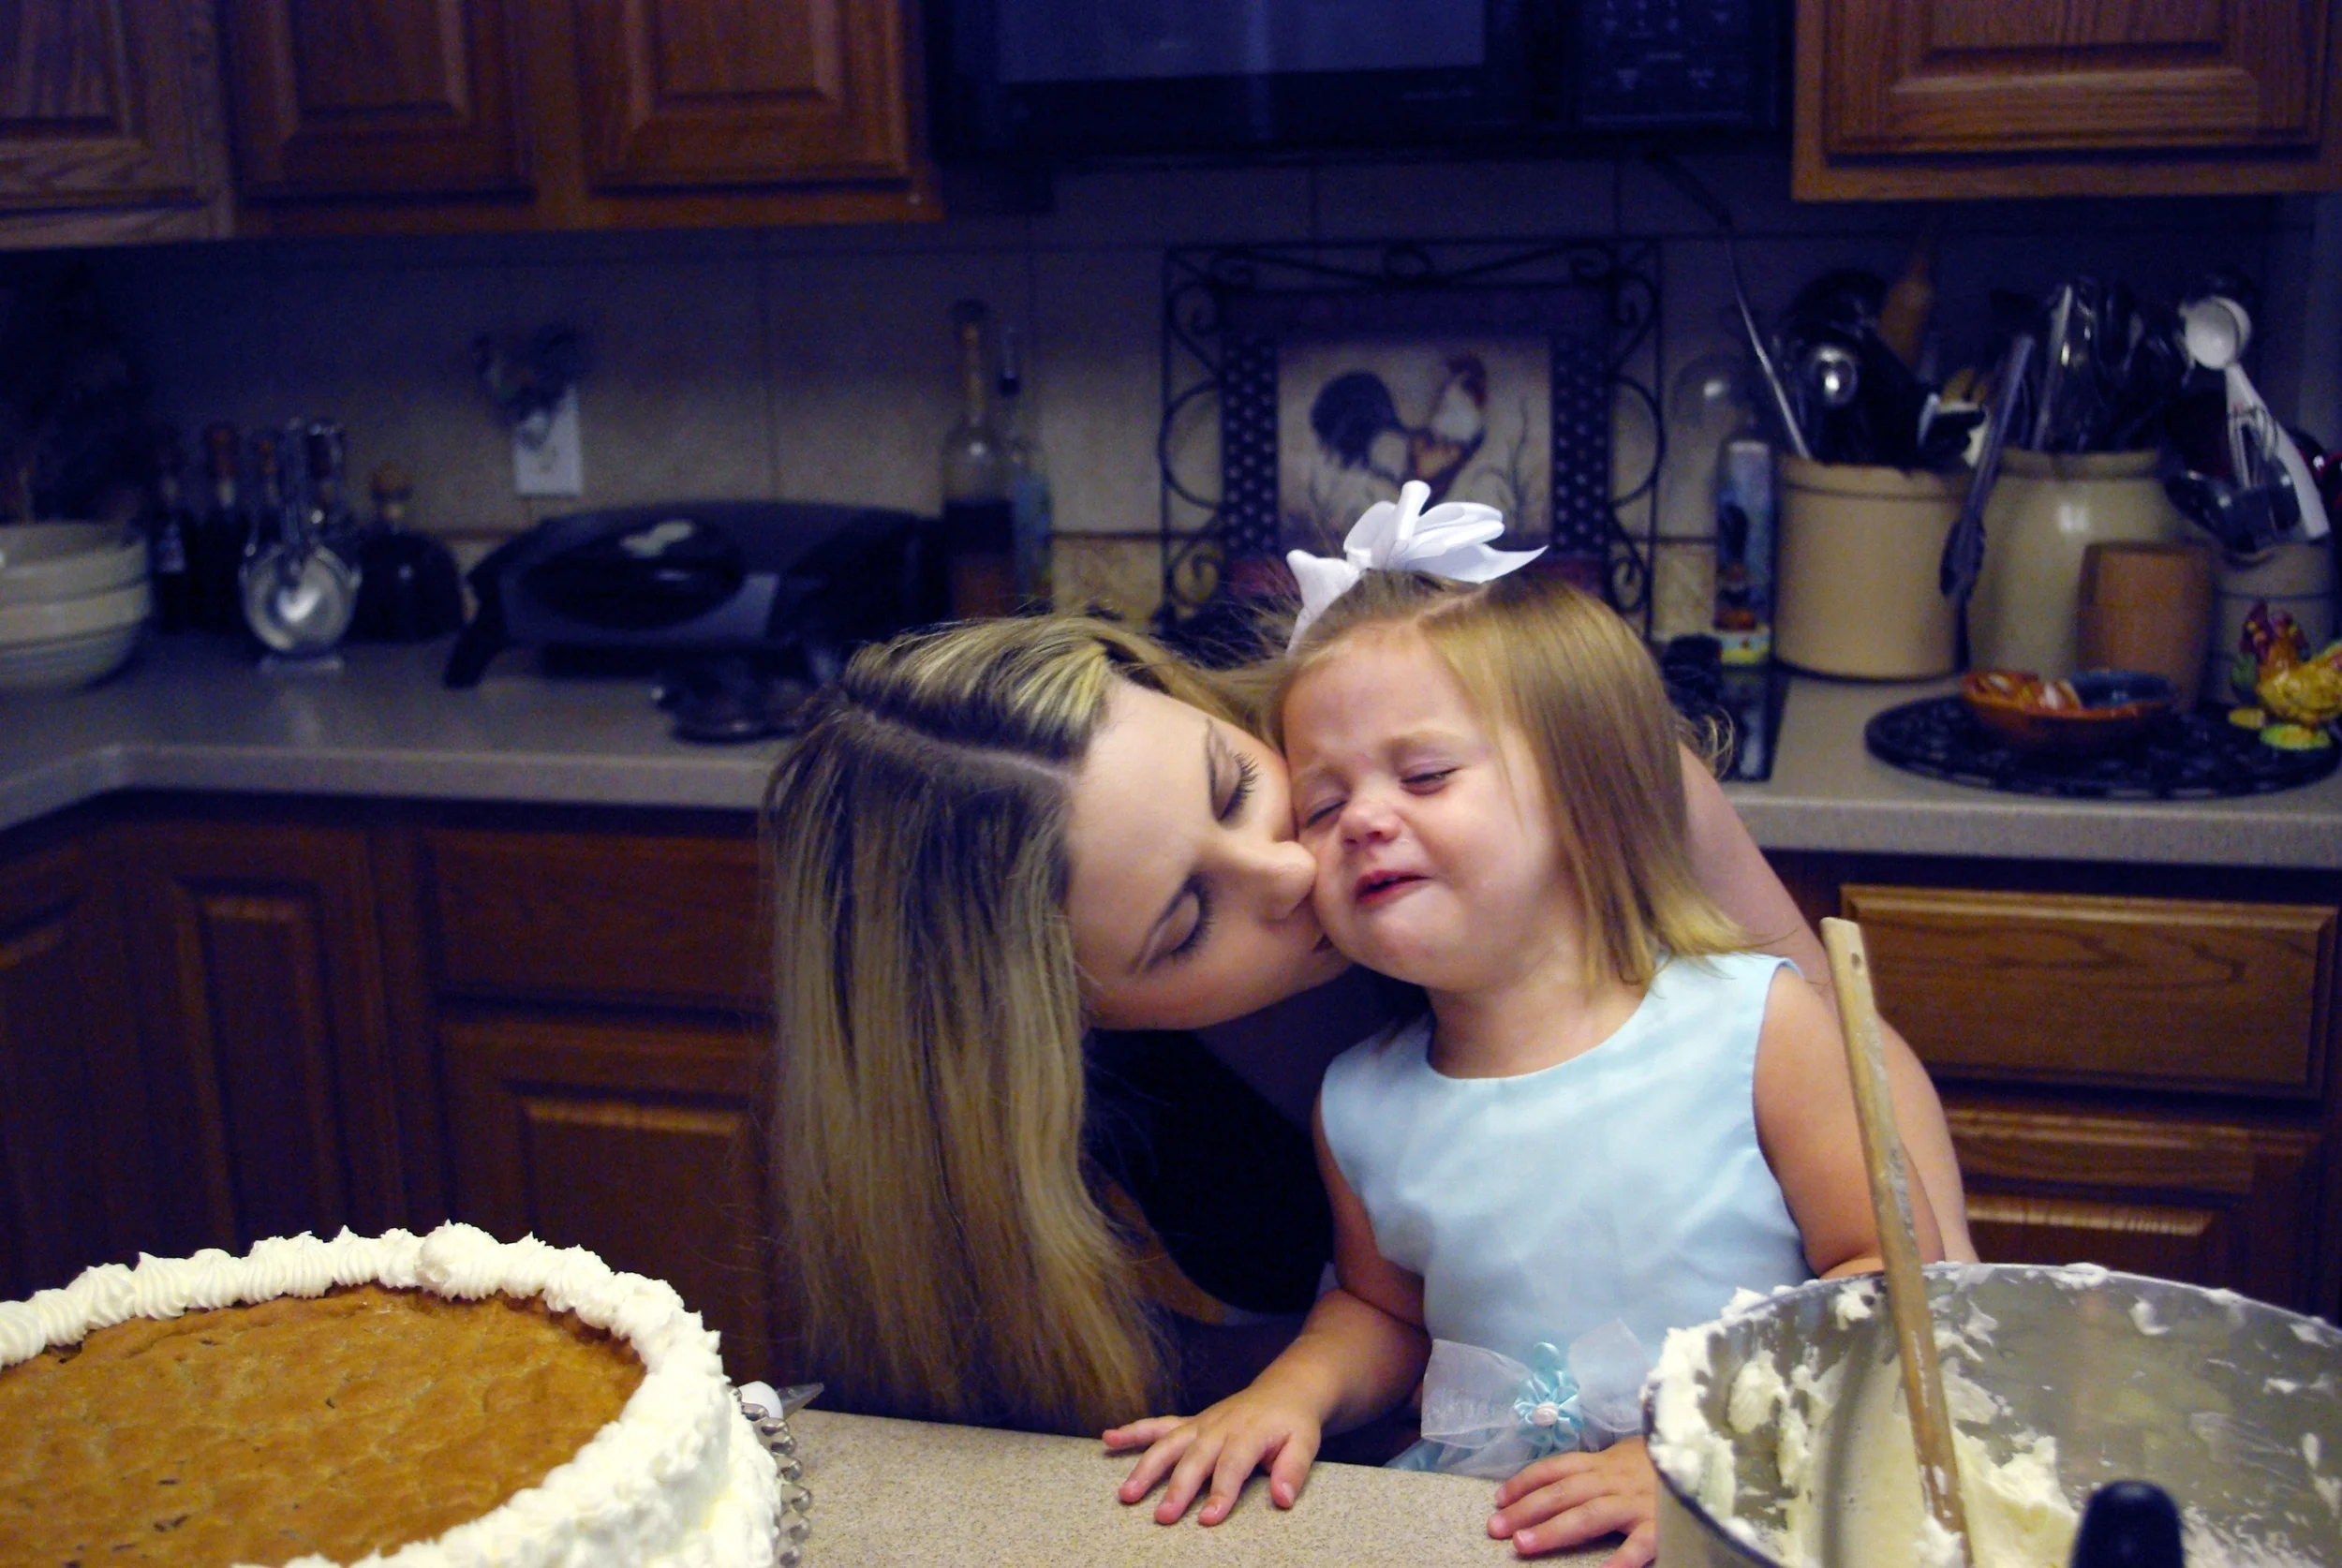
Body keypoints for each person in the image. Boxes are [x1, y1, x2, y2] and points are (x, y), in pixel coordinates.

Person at [761, 550, 1975, 1442]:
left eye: (1236, 787)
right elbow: (1353, 1325)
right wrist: (1306, 1395)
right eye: (1187, 923)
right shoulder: (1333, 1100)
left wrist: (1935, 1326)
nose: (1296, 868)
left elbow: (1850, 1084)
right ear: (1070, 1028)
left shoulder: (1539, 777)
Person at [1104, 555, 1944, 1567]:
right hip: (1500, 1525)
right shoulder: (1359, 1103)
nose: (1363, 819)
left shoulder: (1759, 1027)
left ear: (1583, 792)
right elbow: (1383, 1314)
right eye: (1322, 806)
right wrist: (1288, 1395)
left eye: (1425, 776)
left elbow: (1889, 1279)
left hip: (1755, 1502)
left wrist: (1701, 1449)